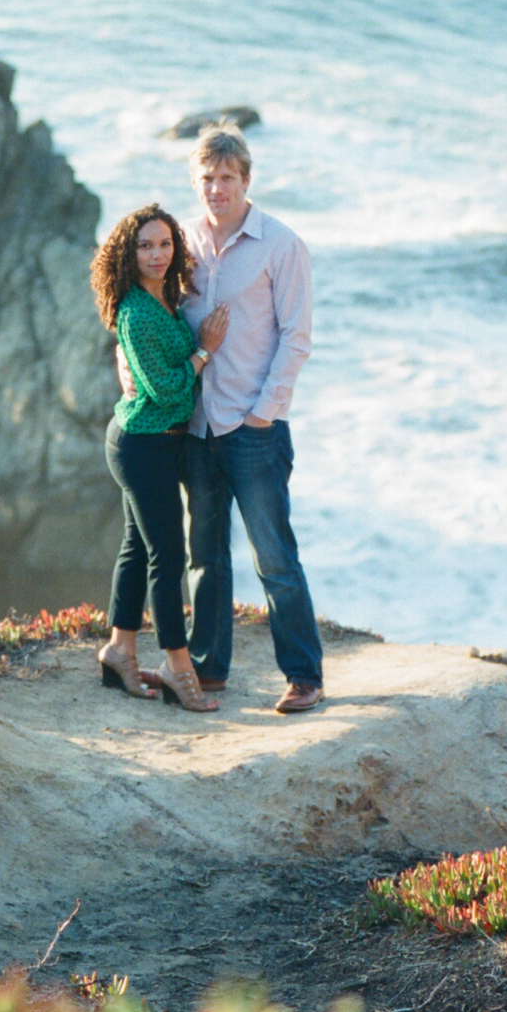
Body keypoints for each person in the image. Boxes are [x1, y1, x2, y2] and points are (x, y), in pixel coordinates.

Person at [176, 128, 325, 714]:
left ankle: (304, 676)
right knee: (205, 554)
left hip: (252, 429)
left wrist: (264, 415)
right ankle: (210, 669)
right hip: (197, 427)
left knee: (274, 557)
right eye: (207, 178)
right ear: (196, 182)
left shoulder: (281, 244)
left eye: (228, 178)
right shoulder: (181, 242)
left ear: (246, 181)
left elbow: (297, 337)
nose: (217, 189)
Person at [89, 203, 230, 711]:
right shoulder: (135, 311)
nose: (157, 254)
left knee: (137, 547)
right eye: (146, 245)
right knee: (167, 555)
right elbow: (167, 388)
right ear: (129, 252)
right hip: (141, 444)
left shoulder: (165, 298)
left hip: (155, 441)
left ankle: (120, 650)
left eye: (165, 244)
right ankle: (177, 665)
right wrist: (205, 350)